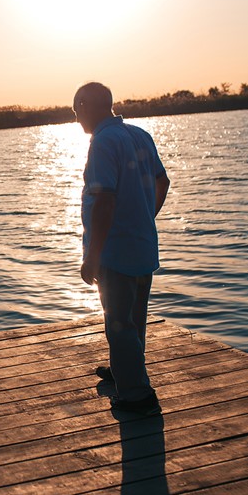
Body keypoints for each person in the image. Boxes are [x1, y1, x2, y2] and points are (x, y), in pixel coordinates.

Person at [73, 82, 171, 416]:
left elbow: (104, 201)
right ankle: (124, 371)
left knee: (119, 323)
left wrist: (92, 256)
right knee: (134, 320)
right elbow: (163, 181)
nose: (76, 118)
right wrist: (146, 215)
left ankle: (136, 395)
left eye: (76, 109)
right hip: (143, 246)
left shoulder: (103, 142)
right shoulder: (139, 134)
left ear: (87, 105)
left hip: (116, 252)